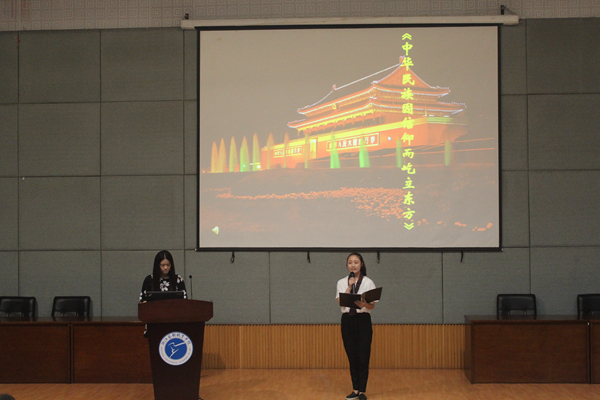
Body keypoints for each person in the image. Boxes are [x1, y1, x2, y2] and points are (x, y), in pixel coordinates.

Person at [336, 252, 376, 400]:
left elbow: (372, 306)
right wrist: (349, 286)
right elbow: (341, 302)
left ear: (361, 264)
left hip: (363, 320)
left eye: (356, 262)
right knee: (352, 356)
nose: (353, 265)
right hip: (348, 320)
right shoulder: (341, 282)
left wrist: (364, 304)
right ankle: (355, 389)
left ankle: (362, 391)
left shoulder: (368, 282)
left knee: (363, 355)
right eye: (350, 262)